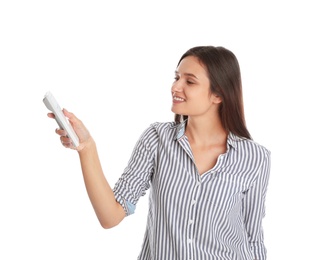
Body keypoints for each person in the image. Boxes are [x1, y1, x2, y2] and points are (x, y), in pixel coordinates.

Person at [48, 46, 271, 260]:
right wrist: (87, 148)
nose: (176, 87)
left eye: (190, 81)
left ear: (218, 95)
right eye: (177, 78)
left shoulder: (255, 158)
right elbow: (110, 216)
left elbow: (253, 238)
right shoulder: (157, 139)